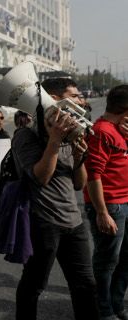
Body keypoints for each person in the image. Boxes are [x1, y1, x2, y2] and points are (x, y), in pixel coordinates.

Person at [13, 77, 98, 320]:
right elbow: (41, 178)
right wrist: (54, 141)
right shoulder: (25, 136)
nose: (81, 100)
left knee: (85, 285)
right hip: (44, 222)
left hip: (74, 222)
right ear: (56, 100)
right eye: (75, 95)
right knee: (34, 284)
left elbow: (79, 184)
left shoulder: (71, 134)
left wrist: (79, 157)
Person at [84, 85, 128, 320]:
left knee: (125, 258)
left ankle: (116, 302)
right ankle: (104, 310)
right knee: (107, 260)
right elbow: (94, 175)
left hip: (126, 201)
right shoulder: (101, 131)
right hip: (111, 205)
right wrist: (101, 212)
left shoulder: (121, 130)